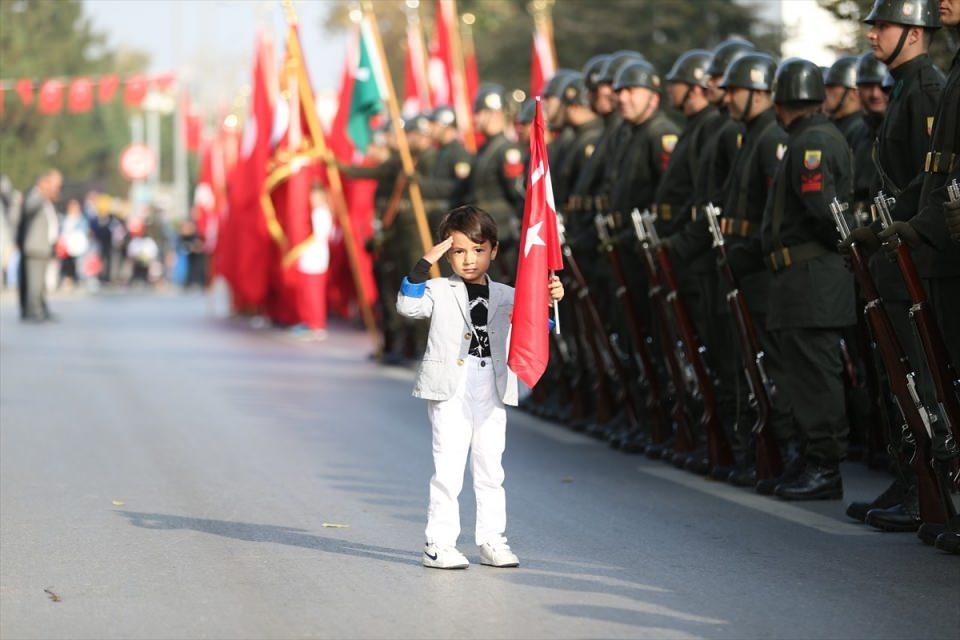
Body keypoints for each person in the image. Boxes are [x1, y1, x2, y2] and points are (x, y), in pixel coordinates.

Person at [396, 205, 564, 569]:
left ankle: (492, 539)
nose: (468, 260)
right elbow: (408, 306)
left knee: (490, 467)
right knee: (449, 467)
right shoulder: (438, 289)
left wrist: (551, 297)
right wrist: (425, 263)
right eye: (458, 251)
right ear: (447, 252)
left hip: (492, 382)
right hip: (452, 386)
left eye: (478, 250)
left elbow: (537, 327)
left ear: (494, 250)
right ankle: (438, 543)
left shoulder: (506, 294)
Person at [16, 169, 62, 322]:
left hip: (44, 247)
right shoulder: (36, 195)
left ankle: (41, 308)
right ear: (43, 182)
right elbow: (28, 208)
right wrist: (44, 194)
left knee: (41, 283)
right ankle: (33, 311)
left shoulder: (47, 200)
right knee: (34, 284)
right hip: (35, 247)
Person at [58, 199, 89, 290]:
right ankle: (68, 280)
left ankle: (78, 281)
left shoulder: (82, 220)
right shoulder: (65, 219)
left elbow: (84, 232)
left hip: (77, 246)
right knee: (67, 264)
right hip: (66, 246)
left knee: (78, 264)